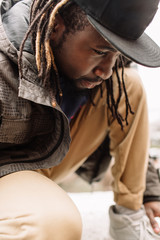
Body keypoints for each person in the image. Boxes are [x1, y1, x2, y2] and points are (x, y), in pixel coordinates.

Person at [0, 0, 160, 239]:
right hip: (7, 169)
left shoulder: (102, 60)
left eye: (115, 55)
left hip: (50, 157)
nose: (105, 70)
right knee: (55, 224)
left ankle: (128, 219)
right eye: (99, 52)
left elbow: (125, 111)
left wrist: (149, 193)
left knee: (128, 84)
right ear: (55, 26)